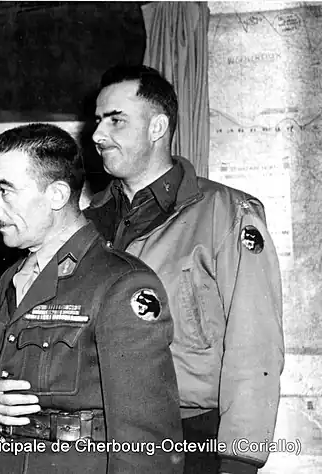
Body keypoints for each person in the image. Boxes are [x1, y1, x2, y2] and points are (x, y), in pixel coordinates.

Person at [84, 64, 284, 474]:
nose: (98, 135)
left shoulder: (225, 213)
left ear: (158, 126)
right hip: (98, 435)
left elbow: (255, 341)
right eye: (98, 121)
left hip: (191, 437)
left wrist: (240, 457)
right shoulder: (86, 223)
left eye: (116, 120)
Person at [0, 123, 183, 473]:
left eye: (5, 191)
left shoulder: (120, 284)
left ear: (58, 195)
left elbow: (147, 447)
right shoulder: (12, 280)